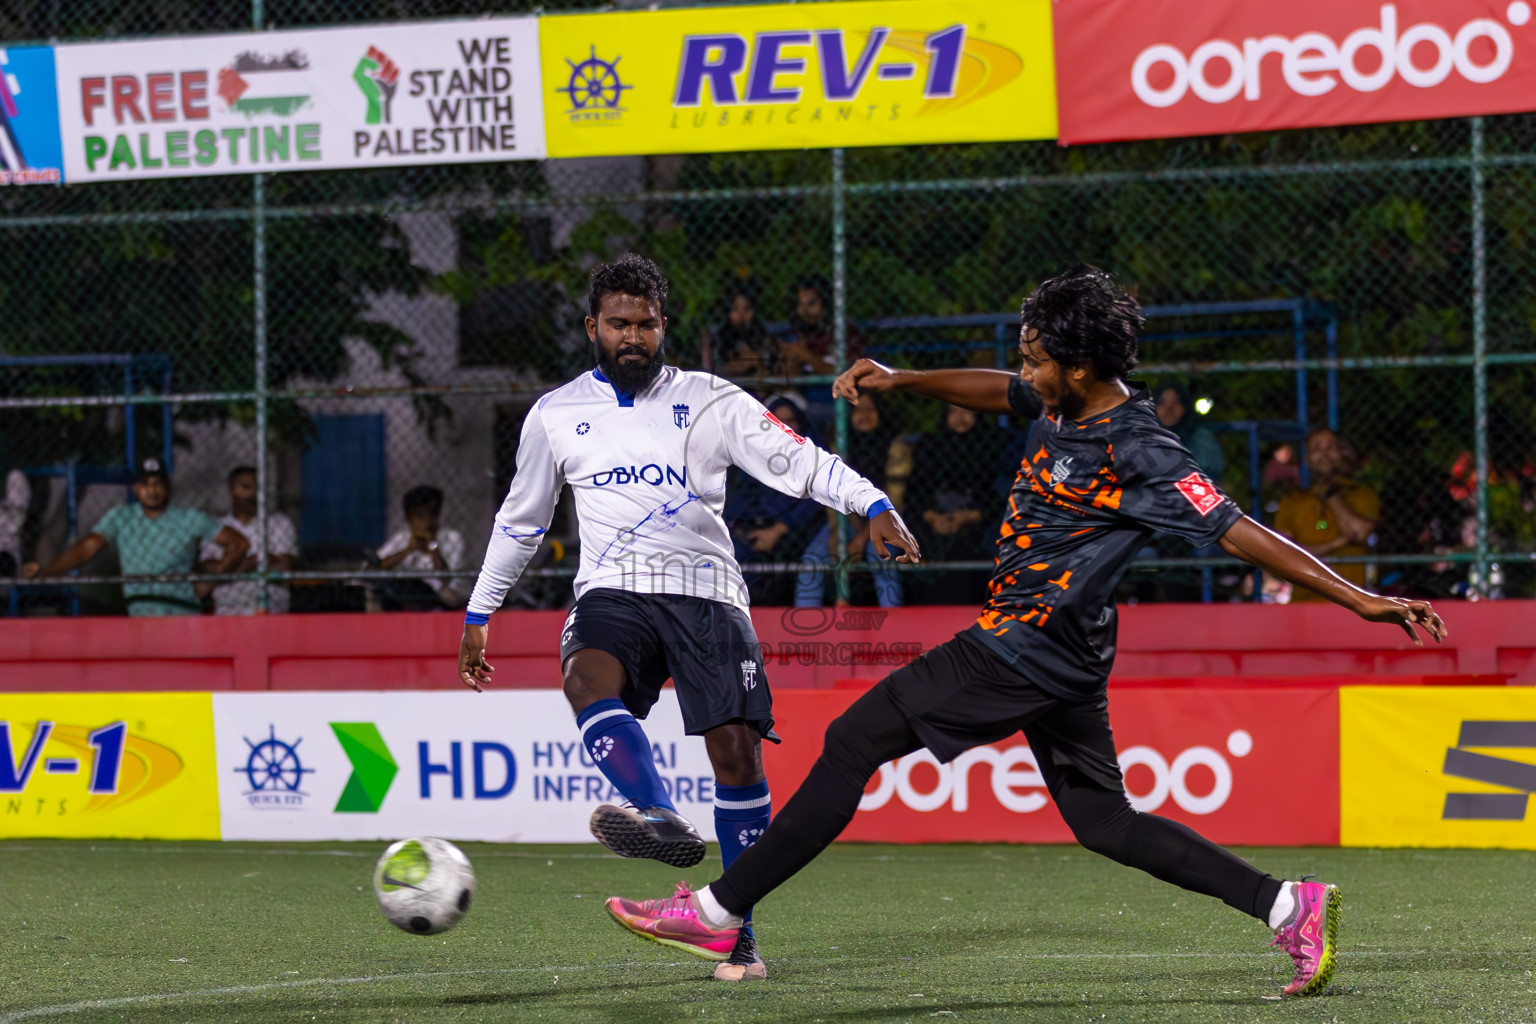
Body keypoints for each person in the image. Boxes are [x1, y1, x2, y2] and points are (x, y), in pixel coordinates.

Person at [604, 264, 1446, 998]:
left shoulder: (1140, 447)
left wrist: (1358, 599)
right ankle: (1285, 904)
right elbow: (989, 388)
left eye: (1035, 358)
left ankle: (719, 912)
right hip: (1063, 657)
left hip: (1024, 646)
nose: (1022, 369)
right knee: (1104, 822)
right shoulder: (1060, 399)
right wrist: (901, 381)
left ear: (1079, 368)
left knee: (853, 738)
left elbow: (1235, 528)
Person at [456, 253, 919, 982]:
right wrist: (481, 610)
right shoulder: (554, 414)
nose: (633, 335)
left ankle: (737, 934)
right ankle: (659, 815)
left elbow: (798, 460)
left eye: (646, 322)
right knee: (585, 676)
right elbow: (521, 521)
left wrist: (874, 503)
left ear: (663, 325)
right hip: (613, 589)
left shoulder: (710, 399)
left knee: (736, 753)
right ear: (593, 328)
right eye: (619, 324)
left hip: (706, 590)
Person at [22, 458, 249, 616]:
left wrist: (211, 580)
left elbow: (239, 544)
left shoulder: (189, 517)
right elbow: (88, 547)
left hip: (181, 611)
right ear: (136, 488)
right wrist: (47, 571)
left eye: (158, 483)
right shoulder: (121, 517)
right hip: (139, 613)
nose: (152, 490)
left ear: (167, 487)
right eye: (145, 484)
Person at [794, 394, 904, 608]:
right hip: (845, 517)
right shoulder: (839, 444)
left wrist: (861, 539)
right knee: (812, 560)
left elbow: (893, 504)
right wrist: (839, 533)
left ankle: (895, 626)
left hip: (887, 521)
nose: (864, 415)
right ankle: (804, 630)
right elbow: (832, 493)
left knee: (880, 556)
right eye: (857, 410)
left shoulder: (895, 446)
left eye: (870, 409)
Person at [724, 392, 827, 606]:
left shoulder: (815, 455)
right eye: (778, 421)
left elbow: (814, 502)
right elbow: (744, 495)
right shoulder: (756, 454)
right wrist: (735, 527)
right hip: (757, 531)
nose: (785, 427)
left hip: (796, 533)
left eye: (790, 420)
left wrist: (777, 530)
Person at [907, 402, 1008, 604]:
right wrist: (932, 517)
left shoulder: (993, 444)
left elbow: (999, 496)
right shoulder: (930, 446)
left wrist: (969, 517)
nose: (960, 417)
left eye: (966, 410)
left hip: (980, 520)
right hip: (934, 518)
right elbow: (915, 494)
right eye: (953, 412)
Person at [1273, 428, 1381, 603]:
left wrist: (1330, 495)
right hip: (1304, 603)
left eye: (1330, 448)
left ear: (1341, 453)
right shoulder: (1292, 501)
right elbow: (1284, 555)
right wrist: (1339, 542)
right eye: (1317, 449)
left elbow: (1358, 533)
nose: (1324, 455)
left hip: (1352, 602)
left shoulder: (1361, 494)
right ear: (1307, 458)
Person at [200, 466, 298, 615]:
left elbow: (284, 567)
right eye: (246, 487)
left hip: (271, 607)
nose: (253, 494)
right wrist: (255, 560)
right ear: (231, 492)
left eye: (258, 488)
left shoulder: (279, 523)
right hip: (228, 608)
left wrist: (229, 567)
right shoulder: (218, 527)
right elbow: (208, 567)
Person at [376, 486, 467, 610]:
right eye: (420, 516)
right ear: (409, 518)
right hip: (408, 594)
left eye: (432, 514)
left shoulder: (452, 538)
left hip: (443, 596)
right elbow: (379, 565)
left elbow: (447, 578)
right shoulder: (401, 537)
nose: (427, 521)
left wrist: (432, 545)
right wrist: (409, 549)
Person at [702, 280, 774, 378]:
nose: (741, 314)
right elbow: (714, 369)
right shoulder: (719, 337)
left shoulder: (761, 335)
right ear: (728, 313)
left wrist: (757, 362)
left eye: (746, 309)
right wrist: (742, 364)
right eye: (735, 309)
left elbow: (768, 366)